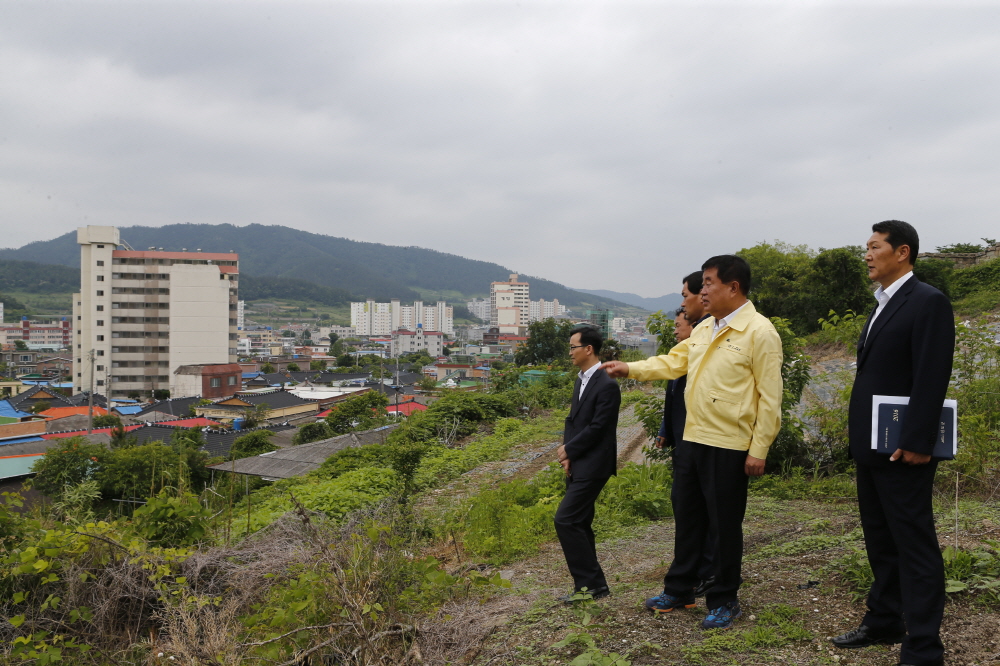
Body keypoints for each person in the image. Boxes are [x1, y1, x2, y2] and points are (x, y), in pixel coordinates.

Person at [603, 255, 782, 629]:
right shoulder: (704, 329)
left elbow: (770, 398)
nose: (703, 290)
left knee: (724, 525)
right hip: (692, 440)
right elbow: (673, 362)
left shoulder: (759, 332)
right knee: (688, 519)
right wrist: (629, 368)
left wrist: (758, 449)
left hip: (729, 444)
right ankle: (680, 589)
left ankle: (724, 598)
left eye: (709, 282)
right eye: (702, 283)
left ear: (733, 287)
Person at [830, 221, 954, 666]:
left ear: (902, 252)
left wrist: (919, 440)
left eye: (874, 247)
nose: (866, 255)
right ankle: (884, 619)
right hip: (873, 446)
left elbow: (932, 374)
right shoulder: (882, 303)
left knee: (914, 542)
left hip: (906, 449)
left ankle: (923, 647)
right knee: (880, 538)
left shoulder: (927, 301)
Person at [654, 272, 717, 599]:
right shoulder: (688, 349)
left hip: (708, 443)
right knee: (688, 511)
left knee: (708, 515)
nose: (682, 304)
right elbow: (672, 395)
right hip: (686, 442)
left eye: (686, 295)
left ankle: (712, 579)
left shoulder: (719, 342)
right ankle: (687, 581)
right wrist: (667, 430)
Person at [554, 324, 622, 602]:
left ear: (589, 349)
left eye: (573, 347)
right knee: (580, 522)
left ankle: (590, 584)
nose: (569, 352)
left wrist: (569, 449)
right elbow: (573, 421)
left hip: (595, 464)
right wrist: (568, 455)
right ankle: (592, 586)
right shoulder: (581, 380)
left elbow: (598, 428)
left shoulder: (607, 384)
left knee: (566, 519)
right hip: (580, 461)